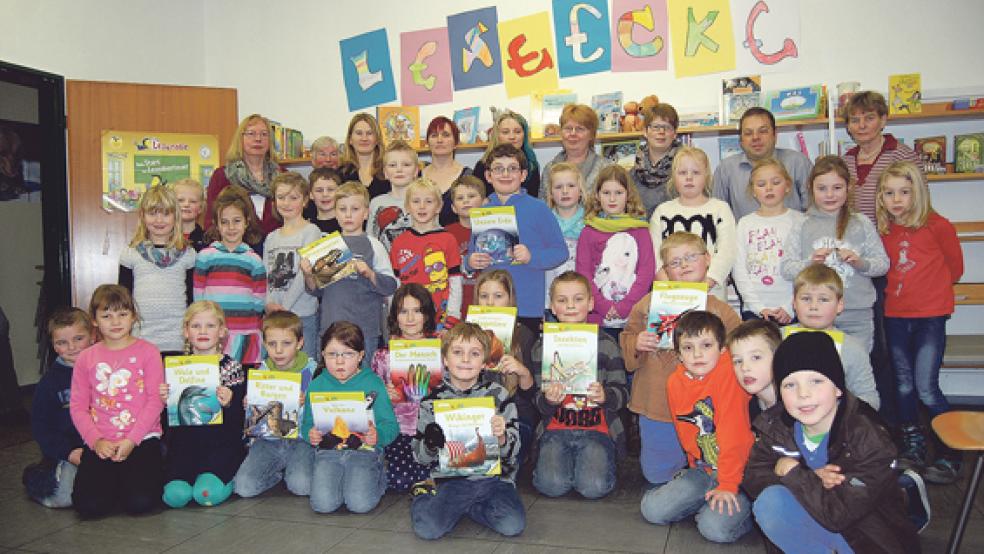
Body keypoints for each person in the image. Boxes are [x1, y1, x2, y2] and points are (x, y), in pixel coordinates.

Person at [729, 319, 932, 534]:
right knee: (769, 503)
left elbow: (838, 514)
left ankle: (903, 490)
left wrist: (791, 471)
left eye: (816, 381)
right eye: (790, 385)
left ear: (837, 388)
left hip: (859, 526)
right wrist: (802, 475)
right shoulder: (774, 420)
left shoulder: (867, 437)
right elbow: (753, 476)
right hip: (815, 497)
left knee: (873, 505)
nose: (803, 393)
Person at [621, 232, 741, 486]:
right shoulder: (647, 304)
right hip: (657, 404)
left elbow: (738, 350)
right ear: (664, 270)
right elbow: (627, 336)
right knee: (657, 476)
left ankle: (697, 482)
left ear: (707, 260)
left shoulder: (721, 310)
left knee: (710, 465)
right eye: (675, 262)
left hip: (705, 408)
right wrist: (637, 343)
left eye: (690, 257)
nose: (684, 265)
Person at [876, 161, 964, 483]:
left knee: (926, 387)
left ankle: (950, 451)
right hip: (896, 316)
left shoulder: (938, 225)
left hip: (929, 317)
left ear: (919, 193)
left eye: (904, 192)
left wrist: (930, 294)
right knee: (903, 385)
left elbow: (955, 270)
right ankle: (912, 446)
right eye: (889, 193)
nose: (896, 199)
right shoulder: (885, 231)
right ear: (881, 197)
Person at [842, 91, 922, 427]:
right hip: (857, 269)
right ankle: (864, 421)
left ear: (883, 120)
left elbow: (917, 202)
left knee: (893, 349)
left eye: (869, 117)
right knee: (868, 348)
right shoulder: (845, 160)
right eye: (854, 119)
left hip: (893, 264)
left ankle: (895, 424)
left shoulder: (903, 156)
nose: (862, 125)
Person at [639, 311, 754, 543]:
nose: (697, 354)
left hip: (741, 475)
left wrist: (729, 484)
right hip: (704, 471)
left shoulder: (730, 376)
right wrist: (696, 469)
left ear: (723, 349)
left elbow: (736, 437)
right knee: (652, 509)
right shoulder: (674, 383)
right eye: (688, 348)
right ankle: (708, 498)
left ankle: (748, 508)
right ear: (679, 354)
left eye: (706, 345)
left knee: (715, 529)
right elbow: (687, 432)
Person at [410, 322, 525, 540]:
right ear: (445, 359)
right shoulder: (431, 401)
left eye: (474, 353)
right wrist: (430, 444)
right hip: (451, 479)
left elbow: (514, 450)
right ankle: (423, 495)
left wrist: (501, 437)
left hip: (495, 480)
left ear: (484, 362)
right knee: (428, 529)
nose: (465, 359)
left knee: (513, 525)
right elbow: (420, 457)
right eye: (457, 352)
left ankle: (465, 507)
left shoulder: (499, 395)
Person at [70, 285, 165, 517]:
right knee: (88, 508)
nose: (115, 322)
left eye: (122, 314)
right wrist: (95, 441)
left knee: (140, 504)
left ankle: (126, 481)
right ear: (94, 320)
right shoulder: (86, 358)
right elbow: (78, 406)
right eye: (106, 315)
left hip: (142, 439)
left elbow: (155, 400)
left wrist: (132, 440)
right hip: (102, 441)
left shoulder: (149, 352)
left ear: (133, 316)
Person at [531, 271, 628, 499]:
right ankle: (569, 467)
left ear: (591, 303)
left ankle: (592, 464)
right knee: (551, 486)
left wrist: (606, 395)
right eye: (562, 300)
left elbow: (623, 392)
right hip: (555, 429)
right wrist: (548, 400)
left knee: (593, 487)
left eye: (578, 299)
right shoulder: (542, 347)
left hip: (598, 430)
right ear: (552, 307)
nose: (571, 306)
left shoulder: (606, 344)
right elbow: (536, 399)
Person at [781, 155, 889, 353]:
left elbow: (883, 264)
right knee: (820, 375)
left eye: (837, 188)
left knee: (854, 374)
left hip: (857, 316)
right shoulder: (802, 225)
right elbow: (787, 268)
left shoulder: (861, 222)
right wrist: (810, 262)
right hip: (815, 318)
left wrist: (860, 263)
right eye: (822, 188)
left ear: (849, 188)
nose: (830, 194)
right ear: (811, 189)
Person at [465, 144, 567, 335]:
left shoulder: (538, 209)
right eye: (498, 169)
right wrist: (470, 262)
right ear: (488, 176)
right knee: (489, 359)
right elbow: (472, 253)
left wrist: (532, 256)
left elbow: (560, 252)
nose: (505, 174)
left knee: (521, 361)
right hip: (489, 308)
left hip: (526, 306)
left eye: (512, 168)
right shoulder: (483, 211)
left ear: (523, 175)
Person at [301, 321, 398, 513]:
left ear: (361, 355)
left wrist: (378, 435)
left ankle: (379, 475)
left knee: (359, 504)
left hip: (364, 452)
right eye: (332, 354)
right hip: (328, 453)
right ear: (322, 355)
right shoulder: (317, 384)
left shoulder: (373, 383)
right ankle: (345, 482)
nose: (339, 361)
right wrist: (310, 434)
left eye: (348, 354)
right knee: (322, 505)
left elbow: (391, 425)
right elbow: (307, 424)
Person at [160, 301, 246, 509]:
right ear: (186, 331)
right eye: (196, 326)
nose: (203, 331)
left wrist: (231, 402)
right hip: (185, 446)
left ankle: (227, 478)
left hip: (220, 445)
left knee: (205, 493)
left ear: (222, 331)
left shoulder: (231, 367)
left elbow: (242, 420)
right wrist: (164, 402)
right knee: (175, 496)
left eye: (210, 326)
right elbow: (169, 422)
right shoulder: (176, 367)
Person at [303, 181, 397, 366]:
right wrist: (307, 275)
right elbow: (316, 291)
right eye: (342, 209)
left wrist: (370, 273)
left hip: (365, 330)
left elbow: (391, 286)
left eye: (354, 209)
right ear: (335, 213)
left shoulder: (373, 245)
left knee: (362, 381)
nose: (348, 215)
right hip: (331, 328)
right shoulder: (327, 246)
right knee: (334, 381)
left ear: (365, 213)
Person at [233, 310, 317, 498]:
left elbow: (320, 417)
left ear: (300, 343)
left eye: (286, 344)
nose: (279, 351)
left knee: (302, 487)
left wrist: (306, 403)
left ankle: (295, 471)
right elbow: (254, 423)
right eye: (272, 344)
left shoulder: (313, 371)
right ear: (264, 344)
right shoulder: (261, 372)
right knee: (243, 488)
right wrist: (249, 405)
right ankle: (277, 475)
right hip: (267, 441)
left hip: (300, 440)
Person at [371, 284, 440, 492]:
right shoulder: (383, 356)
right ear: (395, 316)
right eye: (403, 311)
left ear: (427, 315)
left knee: (441, 473)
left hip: (432, 428)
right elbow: (371, 399)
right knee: (400, 482)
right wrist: (385, 396)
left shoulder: (441, 350)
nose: (410, 319)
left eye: (417, 311)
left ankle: (427, 476)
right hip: (399, 428)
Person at [22, 308, 92, 508]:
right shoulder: (49, 383)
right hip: (68, 452)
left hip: (102, 446)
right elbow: (41, 427)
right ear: (53, 345)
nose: (72, 347)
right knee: (64, 499)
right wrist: (67, 452)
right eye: (62, 343)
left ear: (92, 335)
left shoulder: (105, 368)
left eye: (79, 338)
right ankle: (36, 477)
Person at [576, 164, 654, 336]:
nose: (612, 199)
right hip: (597, 316)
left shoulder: (640, 231)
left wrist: (625, 306)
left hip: (633, 316)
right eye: (606, 193)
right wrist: (602, 305)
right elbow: (583, 274)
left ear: (628, 196)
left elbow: (646, 273)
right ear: (597, 195)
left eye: (618, 193)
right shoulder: (588, 231)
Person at [649, 146, 736, 300]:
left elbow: (727, 251)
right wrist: (670, 286)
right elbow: (654, 255)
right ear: (673, 177)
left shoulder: (720, 209)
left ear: (707, 176)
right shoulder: (662, 212)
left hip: (711, 293)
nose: (689, 178)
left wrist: (706, 283)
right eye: (682, 173)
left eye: (696, 172)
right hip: (671, 294)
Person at [118, 185, 196, 356]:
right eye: (153, 213)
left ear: (175, 217)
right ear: (143, 216)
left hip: (178, 339)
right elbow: (124, 299)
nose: (159, 220)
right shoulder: (130, 253)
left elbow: (192, 299)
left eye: (166, 213)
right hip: (141, 338)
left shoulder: (188, 254)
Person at [194, 186, 267, 365]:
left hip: (246, 333)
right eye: (224, 222)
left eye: (236, 221)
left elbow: (259, 302)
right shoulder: (205, 256)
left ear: (246, 222)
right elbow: (199, 298)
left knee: (244, 384)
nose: (231, 227)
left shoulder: (254, 260)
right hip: (215, 334)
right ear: (217, 224)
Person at [790, 265, 880, 409]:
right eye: (806, 299)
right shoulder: (777, 339)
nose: (813, 306)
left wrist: (839, 413)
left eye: (823, 300)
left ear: (839, 305)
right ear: (794, 303)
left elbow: (870, 398)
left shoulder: (852, 348)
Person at [473, 270, 538, 465]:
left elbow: (531, 397)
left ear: (510, 299)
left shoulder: (524, 334)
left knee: (501, 465)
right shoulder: (467, 335)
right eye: (484, 297)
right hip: (477, 415)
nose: (490, 303)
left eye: (498, 296)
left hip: (517, 416)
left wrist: (522, 371)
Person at [733, 158, 806, 322]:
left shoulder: (800, 221)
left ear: (787, 186)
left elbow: (806, 268)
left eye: (776, 182)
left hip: (793, 308)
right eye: (761, 184)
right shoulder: (745, 223)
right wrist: (757, 307)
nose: (769, 188)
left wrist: (791, 305)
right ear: (753, 191)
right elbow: (739, 269)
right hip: (754, 310)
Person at [712, 107, 812, 221]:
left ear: (775, 135)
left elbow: (813, 210)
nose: (755, 137)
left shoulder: (798, 162)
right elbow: (717, 216)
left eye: (763, 131)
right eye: (748, 133)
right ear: (740, 139)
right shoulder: (726, 169)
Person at [390, 178, 463, 331]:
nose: (422, 206)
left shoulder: (448, 239)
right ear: (407, 206)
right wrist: (395, 315)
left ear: (439, 207)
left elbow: (455, 281)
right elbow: (395, 285)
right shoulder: (399, 242)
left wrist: (453, 316)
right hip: (408, 320)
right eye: (416, 201)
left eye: (429, 201)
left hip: (440, 320)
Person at [263, 172, 322, 361]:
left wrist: (285, 308)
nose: (286, 203)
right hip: (275, 315)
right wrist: (268, 303)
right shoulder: (271, 237)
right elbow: (266, 273)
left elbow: (302, 275)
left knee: (305, 365)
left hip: (302, 314)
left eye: (293, 198)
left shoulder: (311, 231)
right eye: (281, 197)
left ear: (305, 201)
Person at [205, 114, 283, 237]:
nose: (258, 139)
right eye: (251, 134)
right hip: (235, 249)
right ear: (240, 139)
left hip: (276, 247)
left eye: (264, 134)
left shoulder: (282, 176)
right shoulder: (223, 176)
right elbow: (211, 219)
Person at [540, 104, 611, 201]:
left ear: (591, 135)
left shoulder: (606, 169)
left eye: (580, 129)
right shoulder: (550, 169)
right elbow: (543, 207)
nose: (573, 134)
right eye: (568, 128)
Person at [543, 162, 584, 308]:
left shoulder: (590, 223)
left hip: (581, 298)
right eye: (559, 187)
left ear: (580, 190)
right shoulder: (543, 223)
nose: (565, 191)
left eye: (571, 186)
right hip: (550, 299)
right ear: (551, 193)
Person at [473, 110, 540, 199]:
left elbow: (533, 199)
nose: (512, 137)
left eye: (517, 131)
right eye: (505, 132)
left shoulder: (532, 165)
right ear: (497, 136)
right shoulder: (482, 166)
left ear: (524, 135)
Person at [632, 103, 684, 217]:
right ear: (645, 131)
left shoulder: (685, 168)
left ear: (674, 133)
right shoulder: (632, 174)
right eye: (655, 127)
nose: (661, 132)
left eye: (667, 127)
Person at [420, 116, 471, 226]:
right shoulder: (417, 177)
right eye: (434, 135)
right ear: (427, 143)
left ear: (456, 142)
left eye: (446, 135)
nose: (439, 140)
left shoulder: (469, 177)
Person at [368, 140, 418, 251]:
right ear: (385, 172)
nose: (399, 169)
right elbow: (372, 242)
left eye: (406, 165)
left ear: (416, 171)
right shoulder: (376, 203)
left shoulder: (424, 202)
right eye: (392, 165)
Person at [443, 175, 485, 305]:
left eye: (471, 196)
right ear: (454, 208)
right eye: (460, 198)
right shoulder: (445, 234)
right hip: (455, 302)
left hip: (486, 301)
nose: (466, 201)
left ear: (484, 202)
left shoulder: (493, 231)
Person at [338, 113, 388, 200]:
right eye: (359, 133)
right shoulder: (340, 174)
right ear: (350, 139)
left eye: (369, 133)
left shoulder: (389, 170)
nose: (364, 138)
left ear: (377, 139)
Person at [171, 178, 206, 251]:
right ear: (171, 204)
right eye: (180, 200)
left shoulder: (207, 241)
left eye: (193, 201)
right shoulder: (163, 237)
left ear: (201, 207)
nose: (186, 204)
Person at [305, 167, 342, 235]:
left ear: (339, 192)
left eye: (330, 189)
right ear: (311, 194)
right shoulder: (306, 227)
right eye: (319, 190)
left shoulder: (347, 224)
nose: (325, 194)